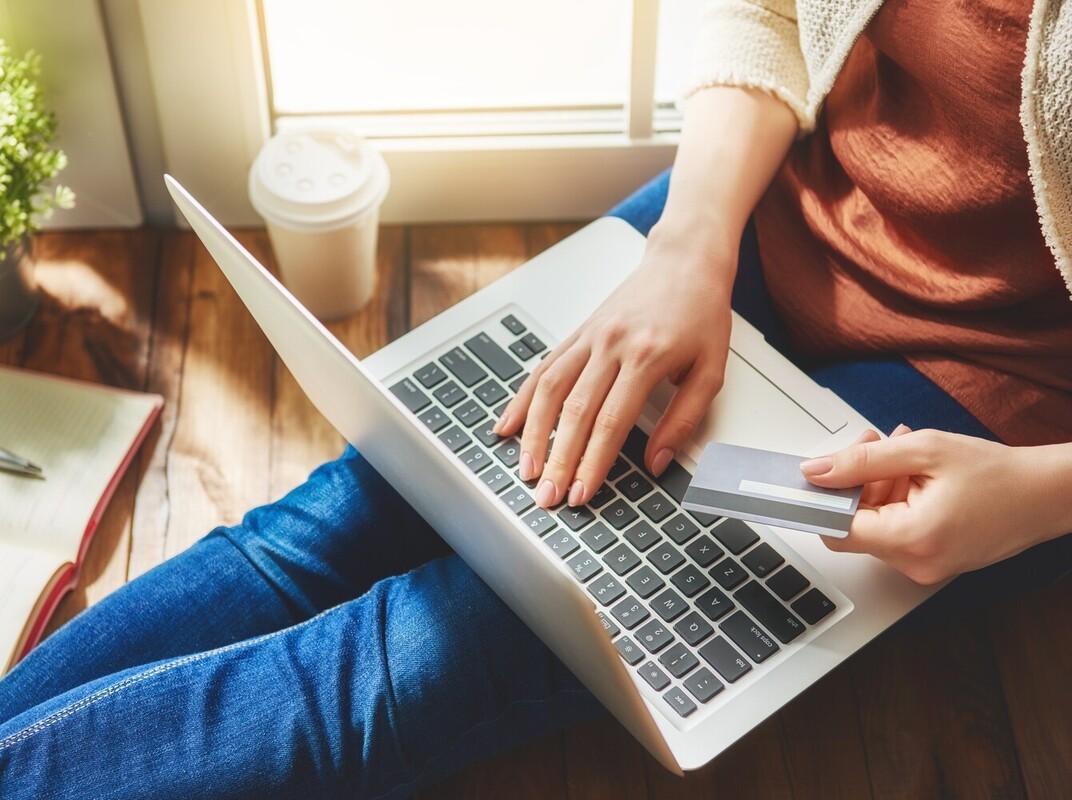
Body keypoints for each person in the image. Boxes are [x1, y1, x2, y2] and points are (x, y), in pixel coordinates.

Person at [1, 1, 1069, 797]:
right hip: (762, 206)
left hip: (997, 404)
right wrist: (690, 241)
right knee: (341, 514)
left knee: (416, 654)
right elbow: (775, 9)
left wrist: (1034, 496)